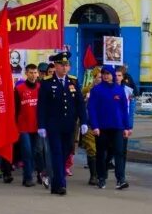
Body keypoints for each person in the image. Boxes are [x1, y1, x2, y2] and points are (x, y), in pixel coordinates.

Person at [37, 52, 87, 196]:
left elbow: (79, 103)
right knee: (57, 153)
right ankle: (61, 184)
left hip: (69, 125)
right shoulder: (47, 83)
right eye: (61, 65)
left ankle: (55, 184)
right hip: (53, 125)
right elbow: (42, 106)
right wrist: (41, 125)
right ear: (55, 66)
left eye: (67, 65)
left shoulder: (73, 81)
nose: (64, 68)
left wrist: (83, 121)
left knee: (65, 153)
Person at [87, 66, 131, 190]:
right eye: (104, 74)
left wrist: (126, 127)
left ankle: (121, 179)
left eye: (108, 74)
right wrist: (94, 125)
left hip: (117, 127)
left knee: (119, 152)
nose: (106, 76)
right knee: (101, 154)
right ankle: (101, 177)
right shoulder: (97, 90)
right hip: (102, 128)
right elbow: (92, 109)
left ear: (113, 75)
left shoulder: (119, 90)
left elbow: (124, 110)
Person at [15, 63, 42, 187]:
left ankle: (40, 174)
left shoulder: (40, 88)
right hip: (23, 127)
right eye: (30, 72)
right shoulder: (19, 89)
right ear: (26, 73)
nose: (33, 75)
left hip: (37, 126)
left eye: (35, 72)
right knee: (27, 152)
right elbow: (15, 109)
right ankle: (27, 177)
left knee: (37, 151)